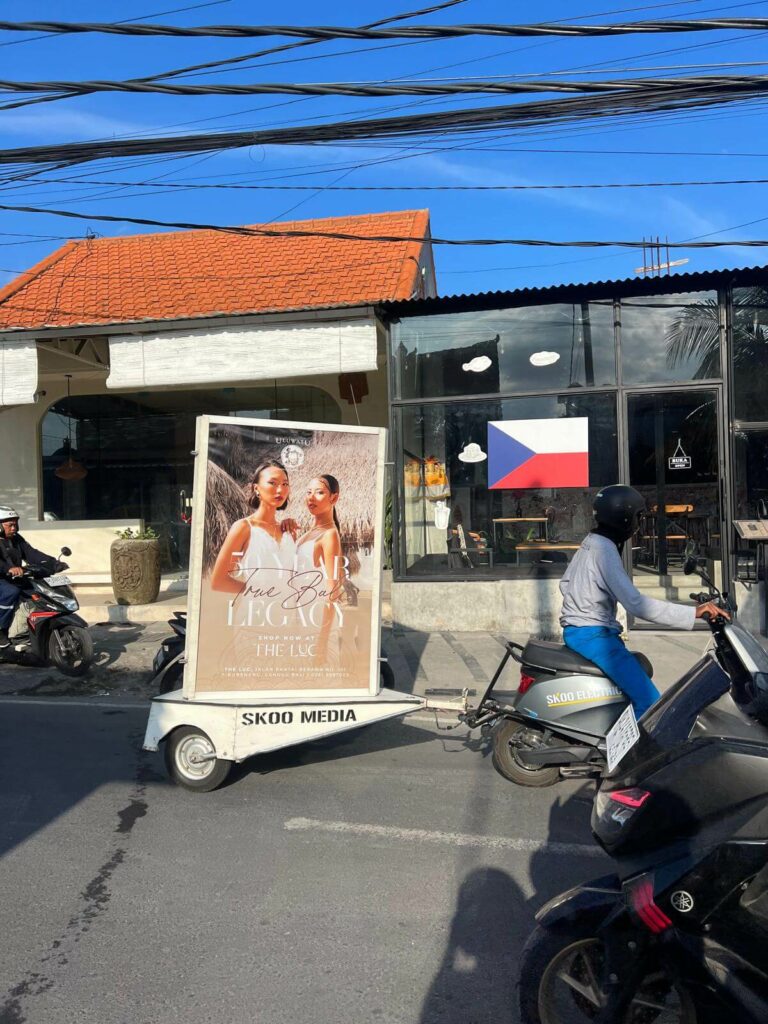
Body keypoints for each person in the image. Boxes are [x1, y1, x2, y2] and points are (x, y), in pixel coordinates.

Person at [559, 485, 728, 717]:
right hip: (593, 637)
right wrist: (693, 613)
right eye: (638, 516)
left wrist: (586, 606)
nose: (639, 523)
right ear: (624, 517)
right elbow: (637, 605)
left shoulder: (592, 542)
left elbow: (565, 583)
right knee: (651, 705)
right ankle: (635, 753)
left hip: (583, 631)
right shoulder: (605, 551)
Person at [210, 460, 297, 593]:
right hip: (256, 609)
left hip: (288, 610)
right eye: (272, 483)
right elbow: (218, 582)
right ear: (256, 488)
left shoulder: (288, 531)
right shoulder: (243, 527)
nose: (280, 489)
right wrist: (258, 592)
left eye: (285, 484)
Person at [0, 506, 58, 648]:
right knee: (11, 592)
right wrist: (9, 569)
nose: (14, 528)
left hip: (15, 577)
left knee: (39, 592)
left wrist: (53, 563)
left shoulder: (16, 539)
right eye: (10, 525)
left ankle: (27, 632)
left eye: (15, 524)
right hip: (2, 578)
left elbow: (32, 553)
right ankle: (1, 629)